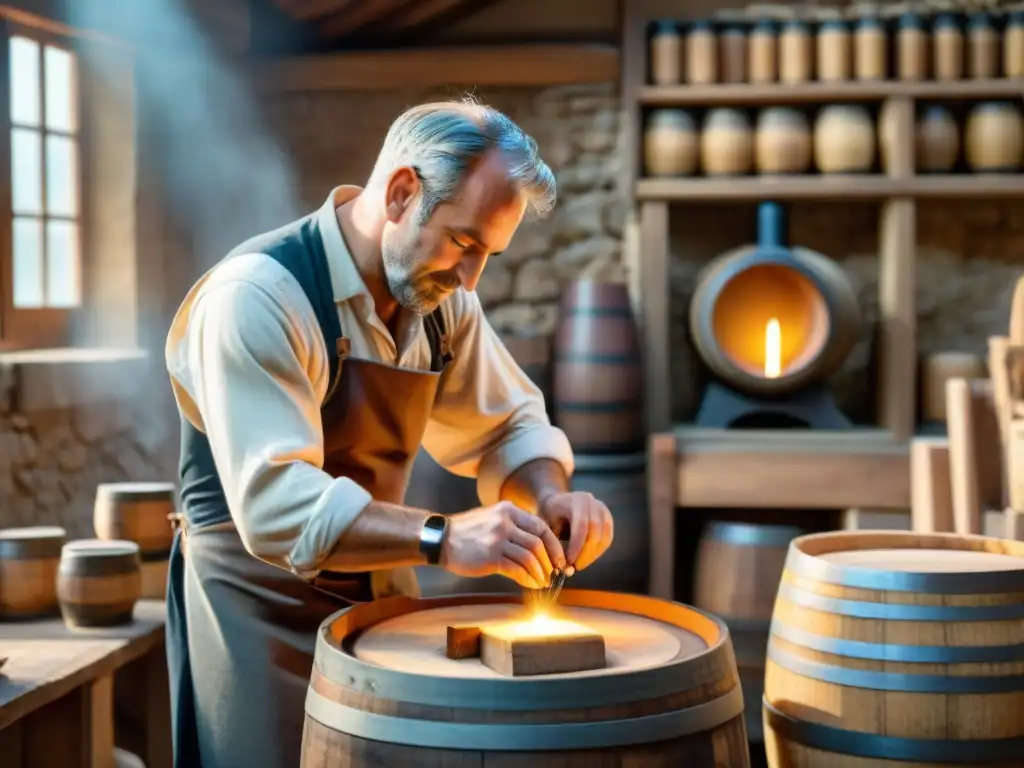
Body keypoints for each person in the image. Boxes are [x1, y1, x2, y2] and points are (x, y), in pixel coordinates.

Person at [163, 99, 616, 768]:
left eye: (489, 253)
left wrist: (547, 495)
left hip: (376, 603)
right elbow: (276, 508)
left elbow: (507, 425)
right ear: (403, 192)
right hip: (250, 614)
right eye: (464, 242)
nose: (471, 278)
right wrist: (444, 536)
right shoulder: (257, 295)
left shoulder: (439, 303)